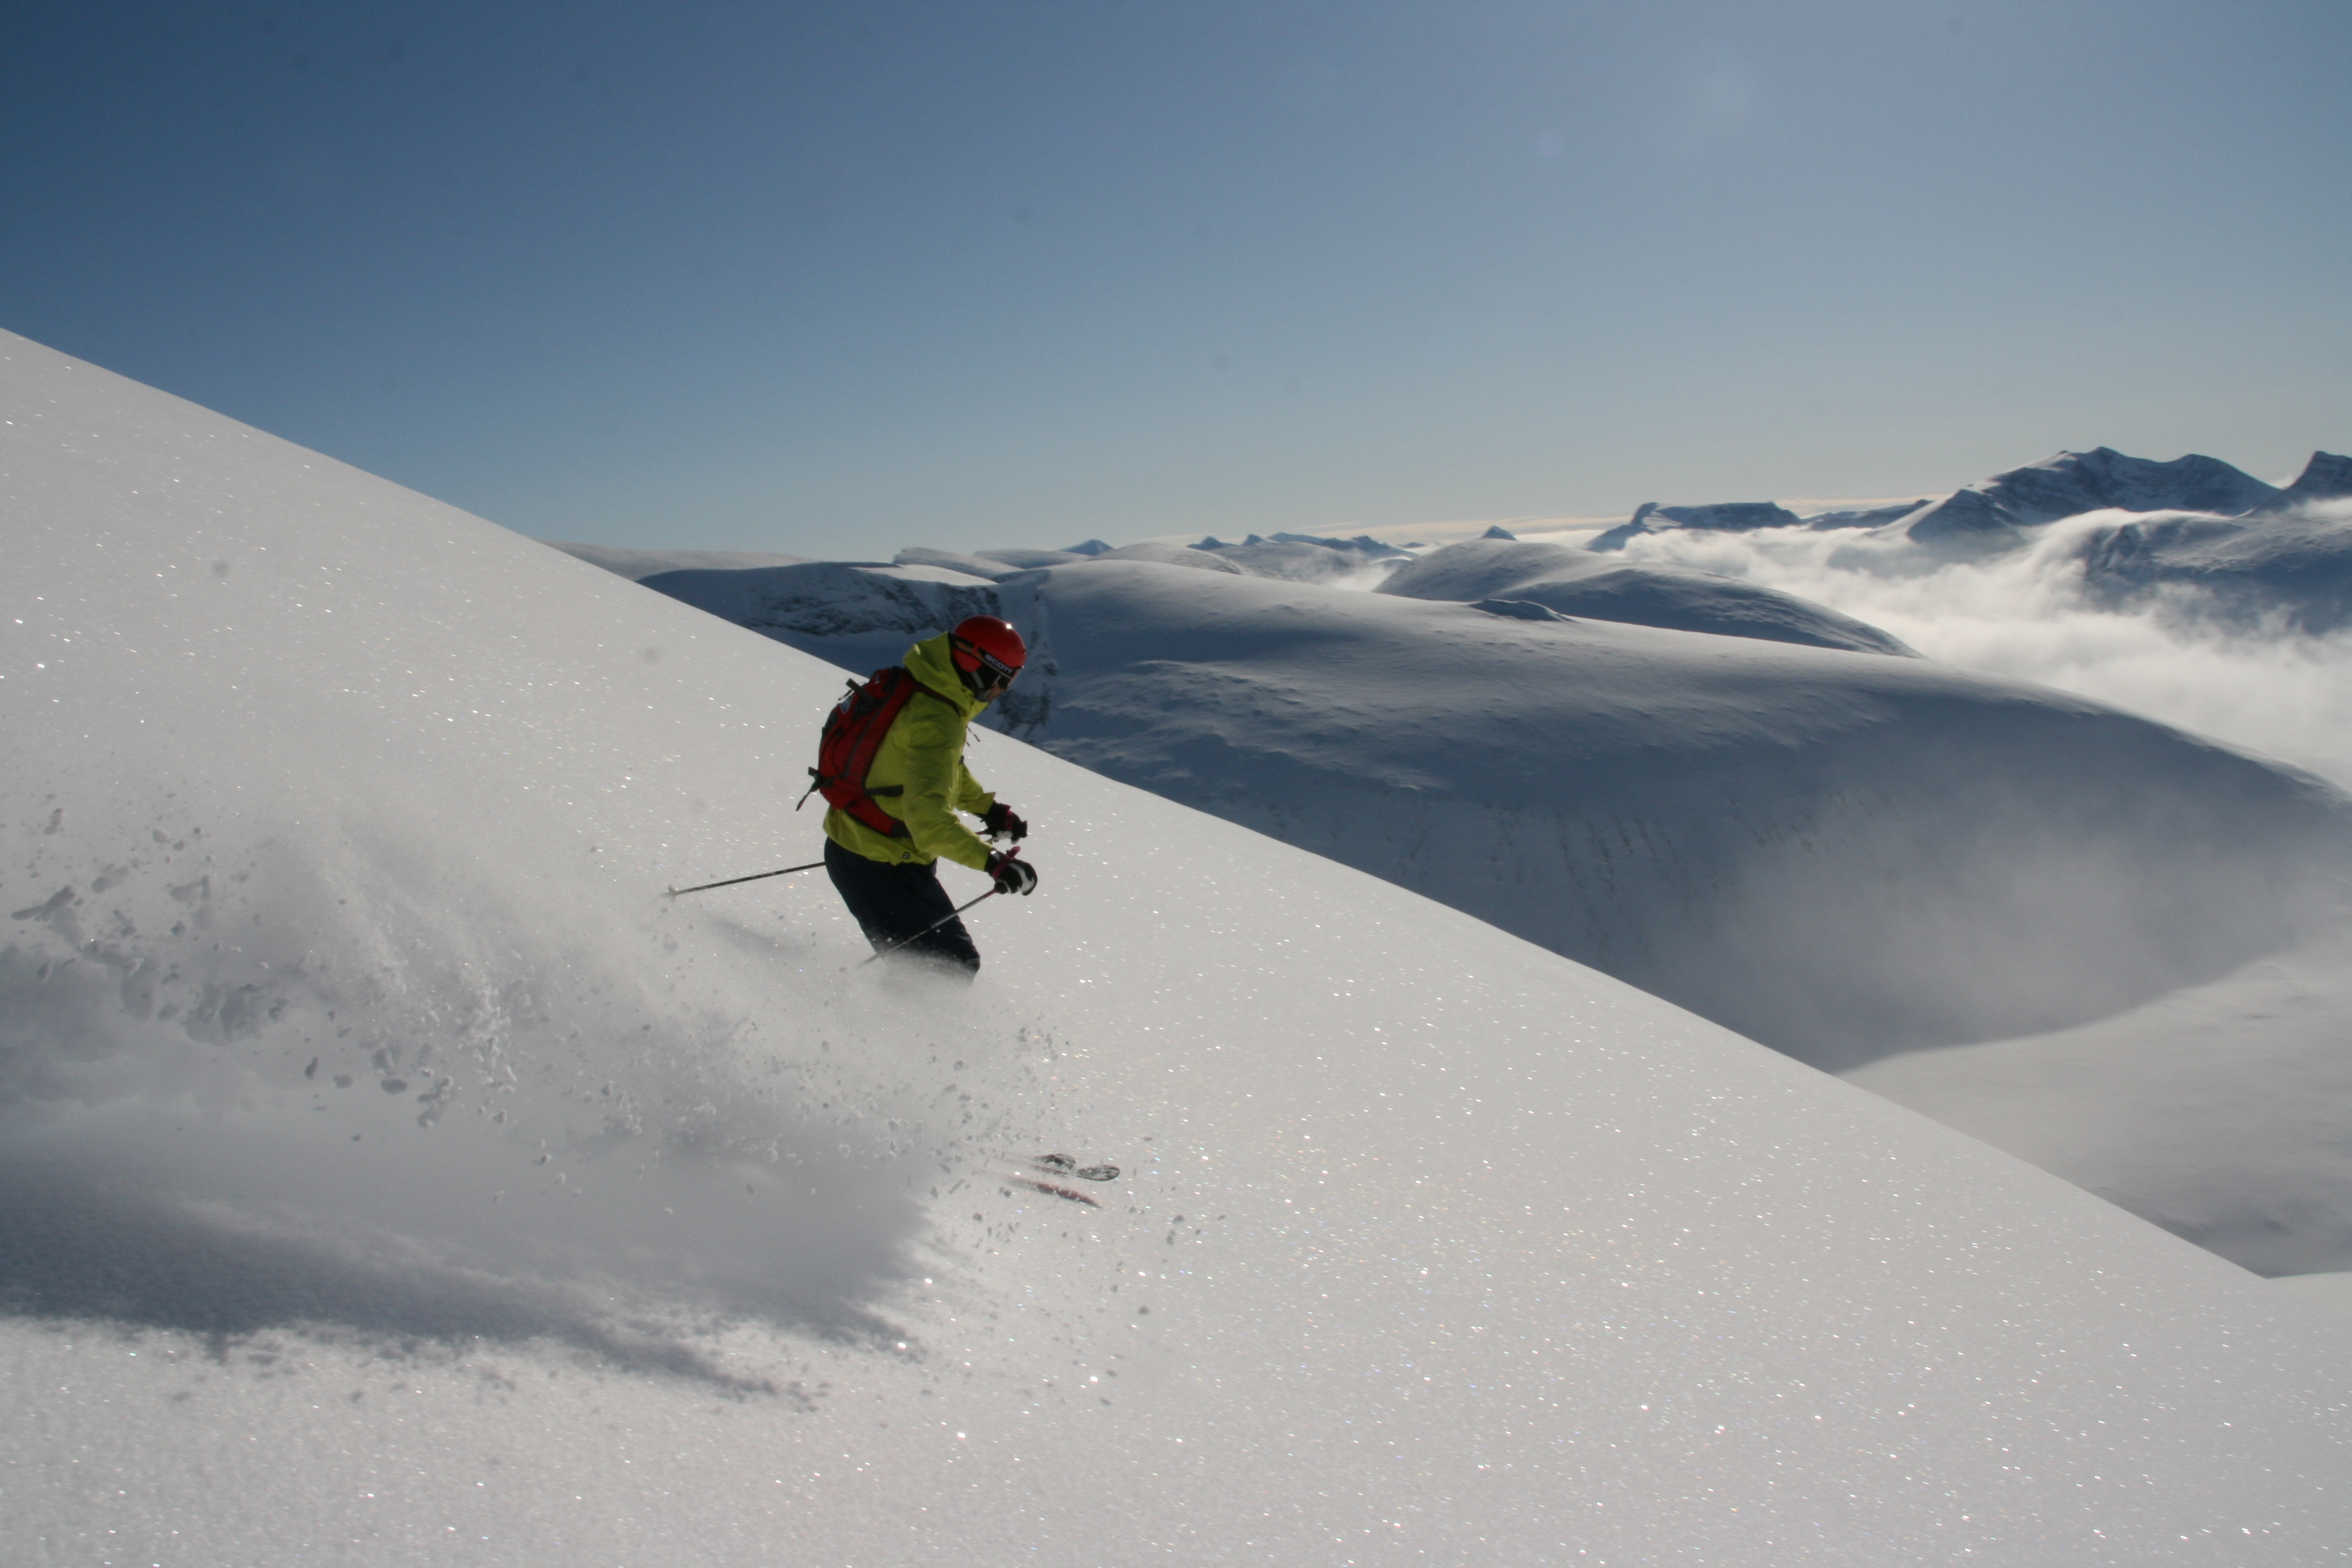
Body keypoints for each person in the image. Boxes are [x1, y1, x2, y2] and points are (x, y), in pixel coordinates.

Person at [823, 615, 1037, 976]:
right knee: (949, 967)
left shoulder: (923, 687)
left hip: (858, 845)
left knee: (931, 966)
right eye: (1005, 680)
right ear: (983, 671)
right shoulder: (939, 719)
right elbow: (929, 823)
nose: (1003, 691)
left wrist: (988, 808)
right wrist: (994, 863)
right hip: (881, 864)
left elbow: (934, 767)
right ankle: (868, 1029)